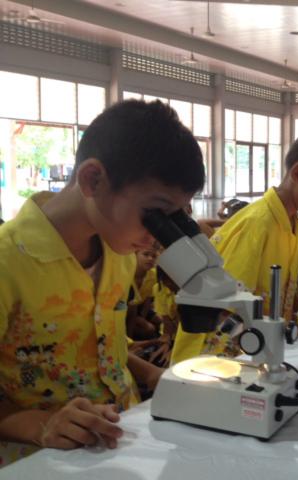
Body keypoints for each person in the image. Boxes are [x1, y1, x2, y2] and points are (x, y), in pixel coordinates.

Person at [0, 99, 205, 465]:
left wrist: (153, 373)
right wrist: (41, 425)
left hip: (125, 441)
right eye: (156, 215)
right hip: (42, 461)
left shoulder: (119, 253)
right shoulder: (8, 262)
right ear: (93, 179)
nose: (159, 235)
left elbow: (101, 346)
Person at [170, 122, 298, 364]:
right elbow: (220, 308)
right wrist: (266, 341)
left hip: (251, 353)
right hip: (210, 359)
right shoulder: (257, 225)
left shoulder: (294, 226)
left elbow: (278, 296)